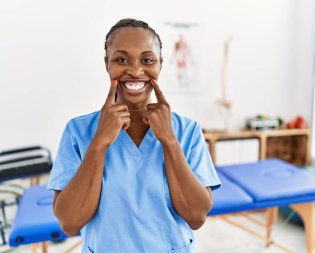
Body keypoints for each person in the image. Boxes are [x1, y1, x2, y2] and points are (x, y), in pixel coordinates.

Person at [48, 18, 221, 253]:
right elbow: (70, 223)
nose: (136, 70)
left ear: (160, 64)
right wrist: (99, 141)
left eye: (147, 60)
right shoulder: (78, 131)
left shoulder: (187, 131)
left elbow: (196, 217)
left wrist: (169, 140)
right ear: (107, 64)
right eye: (121, 59)